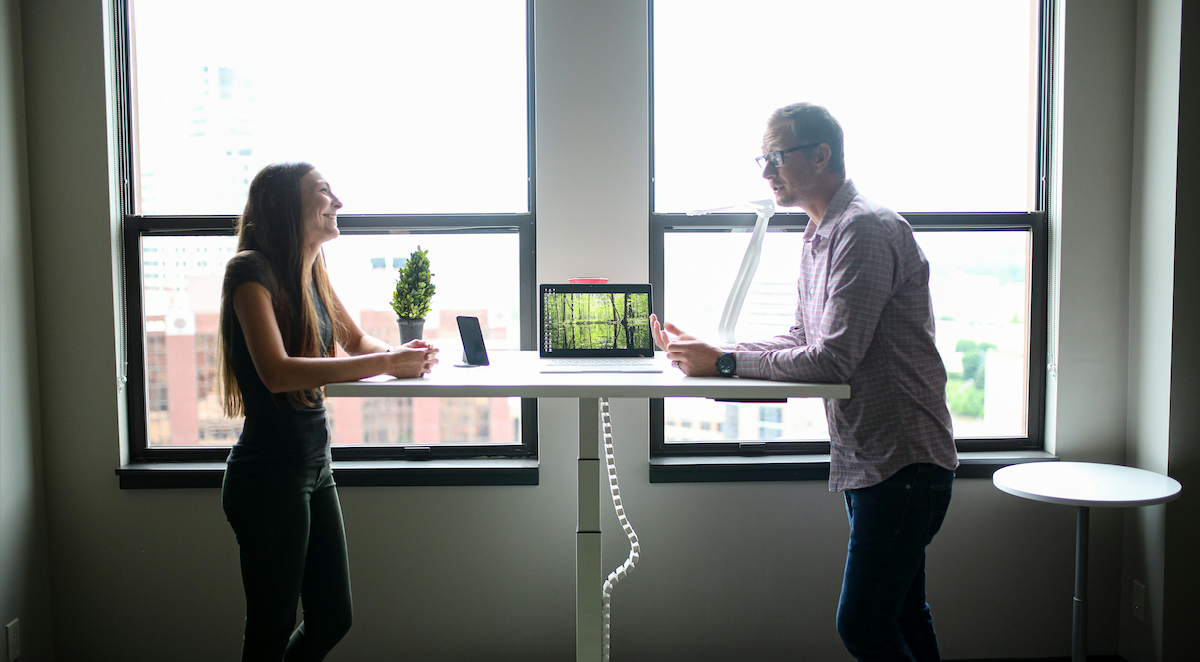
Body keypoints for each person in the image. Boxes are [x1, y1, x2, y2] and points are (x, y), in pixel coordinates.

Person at [651, 103, 958, 662]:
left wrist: (721, 366)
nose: (765, 171)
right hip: (877, 459)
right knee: (903, 614)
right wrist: (717, 353)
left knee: (864, 626)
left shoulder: (862, 229)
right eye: (761, 158)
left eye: (776, 156)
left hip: (903, 463)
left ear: (820, 155)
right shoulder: (821, 234)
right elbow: (801, 337)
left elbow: (832, 361)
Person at [218, 162, 439, 661]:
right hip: (268, 477)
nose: (337, 201)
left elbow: (357, 341)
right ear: (284, 208)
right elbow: (276, 372)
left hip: (315, 468)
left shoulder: (313, 271)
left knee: (333, 619)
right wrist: (387, 361)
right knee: (270, 632)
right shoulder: (250, 272)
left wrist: (410, 357)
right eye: (323, 191)